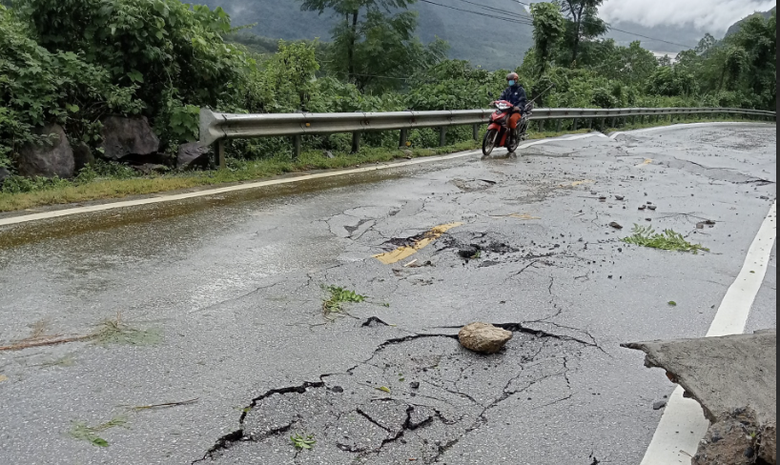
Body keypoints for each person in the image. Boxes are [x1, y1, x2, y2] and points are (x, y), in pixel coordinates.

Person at [498, 72, 528, 140]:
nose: (509, 82)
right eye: (508, 80)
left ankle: (513, 137)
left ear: (515, 80)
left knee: (512, 120)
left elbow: (522, 101)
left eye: (511, 80)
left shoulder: (520, 90)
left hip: (516, 111)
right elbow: (501, 98)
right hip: (507, 110)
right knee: (499, 118)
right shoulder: (507, 90)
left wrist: (518, 107)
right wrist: (496, 102)